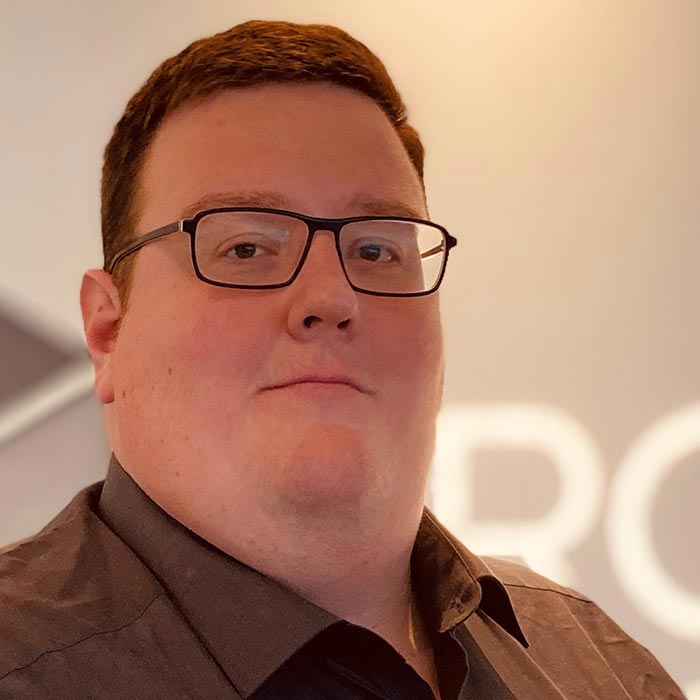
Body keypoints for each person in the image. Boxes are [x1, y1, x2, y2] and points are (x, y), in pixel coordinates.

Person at [0, 20, 685, 700]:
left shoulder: (602, 668)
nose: (330, 297)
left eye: (376, 250)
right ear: (108, 330)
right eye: (245, 248)